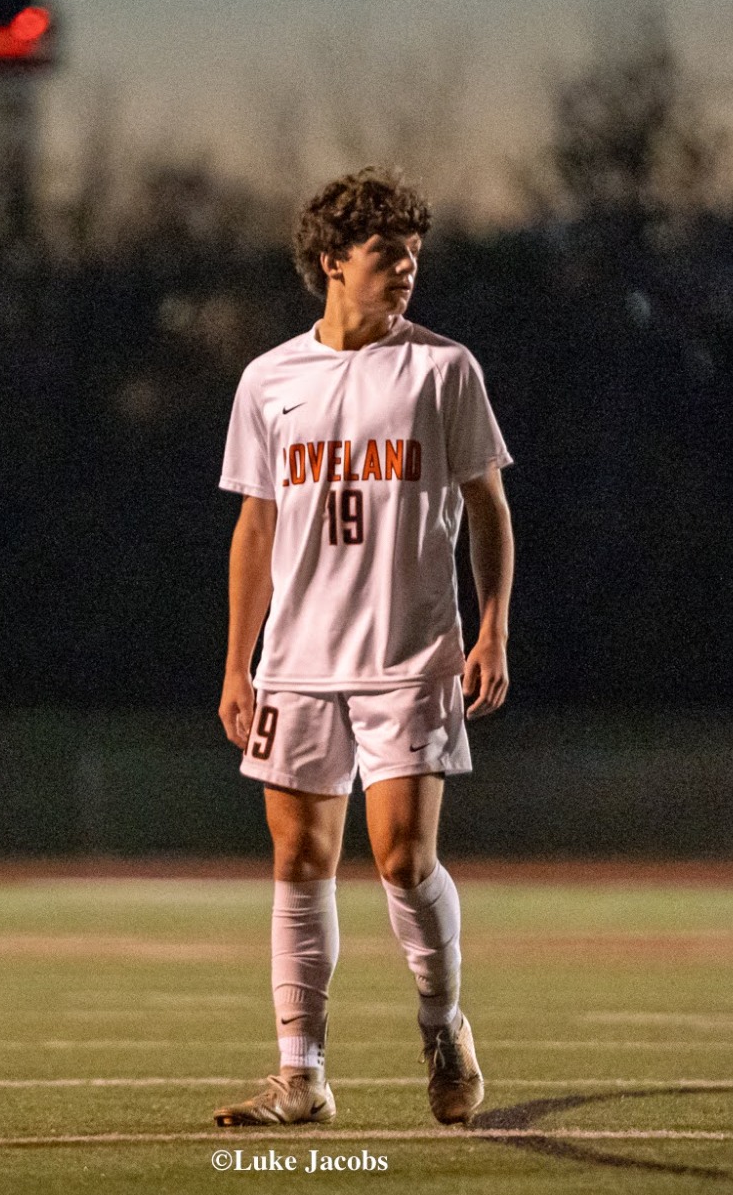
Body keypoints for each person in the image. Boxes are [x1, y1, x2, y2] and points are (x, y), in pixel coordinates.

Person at [211, 167, 514, 1128]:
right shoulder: (269, 379)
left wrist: (495, 622)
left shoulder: (443, 369)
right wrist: (237, 661)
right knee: (297, 858)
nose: (407, 270)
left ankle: (442, 1024)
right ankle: (300, 1075)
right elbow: (256, 527)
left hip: (410, 655)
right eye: (389, 255)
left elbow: (488, 507)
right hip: (297, 661)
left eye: (415, 255)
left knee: (400, 857)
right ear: (334, 262)